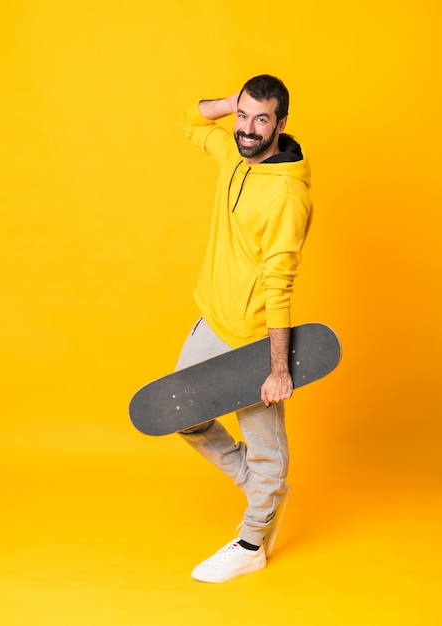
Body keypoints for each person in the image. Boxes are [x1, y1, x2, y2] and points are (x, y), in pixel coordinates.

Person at [176, 74, 312, 583]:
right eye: (243, 115)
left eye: (261, 118)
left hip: (253, 335)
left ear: (281, 123)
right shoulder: (236, 153)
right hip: (212, 318)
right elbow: (190, 120)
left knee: (266, 446)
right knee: (182, 417)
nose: (248, 129)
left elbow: (280, 283)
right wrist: (230, 102)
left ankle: (253, 540)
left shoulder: (287, 196)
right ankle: (264, 489)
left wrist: (279, 368)